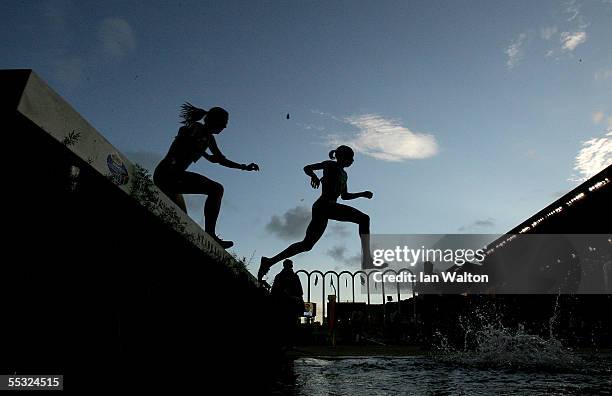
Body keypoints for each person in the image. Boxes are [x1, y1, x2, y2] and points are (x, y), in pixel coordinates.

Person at [258, 145, 375, 283]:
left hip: (326, 208)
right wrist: (313, 175)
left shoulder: (344, 175)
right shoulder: (330, 165)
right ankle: (367, 259)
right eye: (350, 157)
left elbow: (344, 196)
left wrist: (362, 194)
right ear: (341, 156)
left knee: (307, 245)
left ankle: (269, 261)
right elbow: (307, 168)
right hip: (324, 205)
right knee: (364, 219)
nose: (352, 161)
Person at [153, 103, 259, 249]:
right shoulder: (197, 128)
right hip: (168, 174)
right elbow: (186, 140)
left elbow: (221, 160)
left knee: (181, 220)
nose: (225, 127)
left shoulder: (207, 138)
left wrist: (244, 167)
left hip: (173, 179)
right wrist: (201, 149)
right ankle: (210, 234)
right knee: (216, 189)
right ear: (216, 121)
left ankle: (206, 236)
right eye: (225, 123)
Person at [271, 259, 304, 348]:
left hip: (284, 304)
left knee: (285, 324)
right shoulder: (292, 277)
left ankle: (285, 343)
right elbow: (300, 292)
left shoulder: (280, 276)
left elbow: (274, 291)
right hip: (287, 304)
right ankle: (288, 344)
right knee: (289, 324)